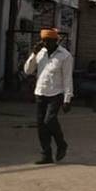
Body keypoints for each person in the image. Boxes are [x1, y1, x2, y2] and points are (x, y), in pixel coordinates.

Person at [24, 28, 73, 165]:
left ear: (55, 41)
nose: (45, 43)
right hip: (40, 92)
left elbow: (68, 78)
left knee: (49, 120)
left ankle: (61, 144)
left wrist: (67, 99)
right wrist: (33, 54)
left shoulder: (65, 55)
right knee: (41, 125)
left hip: (56, 93)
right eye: (43, 41)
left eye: (49, 41)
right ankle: (46, 154)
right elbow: (28, 70)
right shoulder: (40, 53)